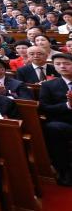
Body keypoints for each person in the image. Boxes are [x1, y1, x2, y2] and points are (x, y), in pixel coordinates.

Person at [39, 53, 72, 186]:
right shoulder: (48, 85)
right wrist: (67, 105)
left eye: (67, 63)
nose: (62, 66)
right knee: (53, 129)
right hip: (63, 122)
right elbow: (45, 107)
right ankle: (64, 170)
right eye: (58, 64)